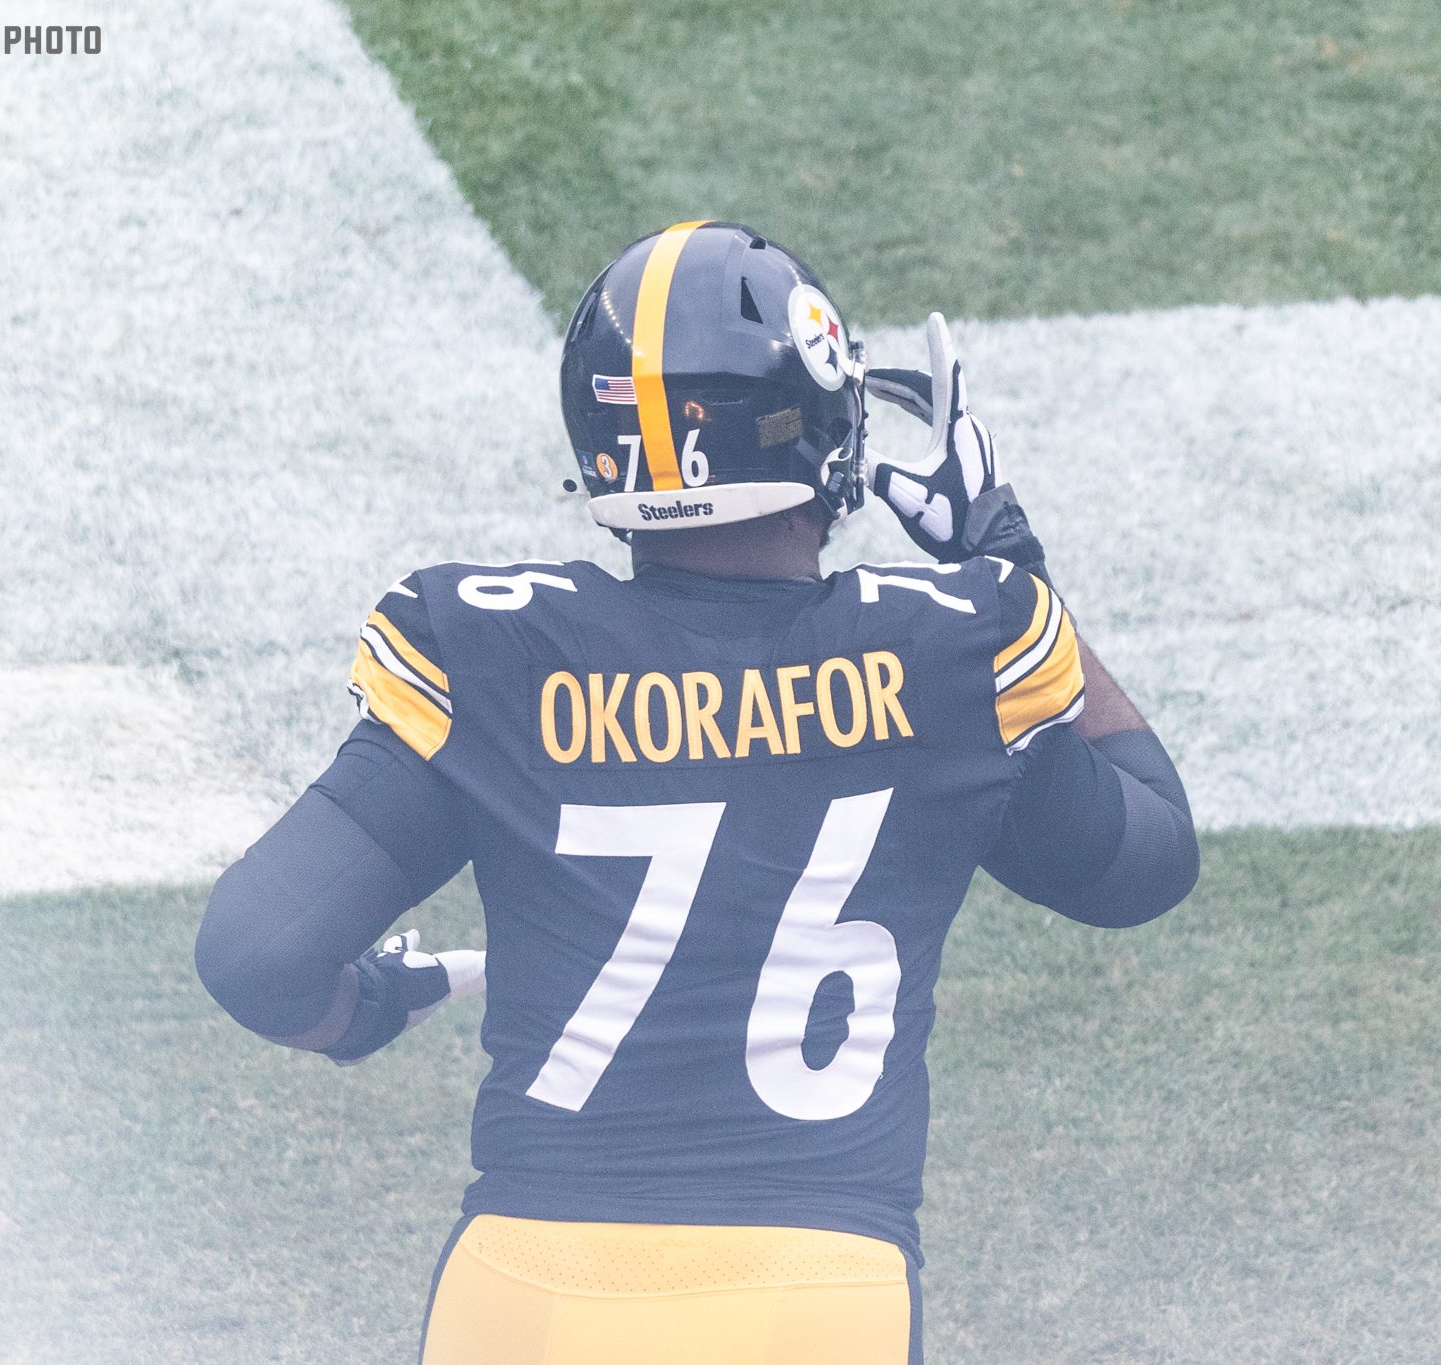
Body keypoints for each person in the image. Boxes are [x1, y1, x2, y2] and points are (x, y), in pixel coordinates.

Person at [195, 220, 1198, 1364]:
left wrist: (361, 1009)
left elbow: (256, 953)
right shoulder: (950, 659)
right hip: (815, 1295)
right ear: (827, 431)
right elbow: (1145, 861)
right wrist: (1013, 562)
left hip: (526, 1292)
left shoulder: (493, 653)